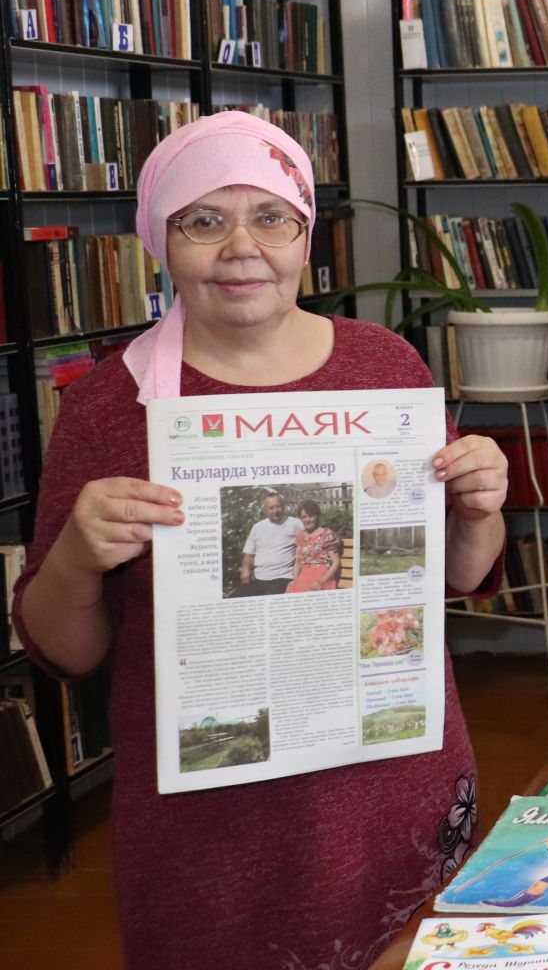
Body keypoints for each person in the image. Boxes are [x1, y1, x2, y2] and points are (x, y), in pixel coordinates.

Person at [8, 112, 511, 969]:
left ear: (306, 236)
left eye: (271, 217)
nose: (242, 247)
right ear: (161, 241)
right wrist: (75, 558)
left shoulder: (385, 366)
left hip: (391, 777)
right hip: (215, 822)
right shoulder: (105, 407)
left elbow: (461, 578)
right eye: (204, 220)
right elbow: (68, 652)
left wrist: (480, 506)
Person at [235, 491, 301, 596]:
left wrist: (333, 538)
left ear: (283, 506)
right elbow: (249, 554)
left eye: (278, 506)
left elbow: (315, 533)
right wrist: (245, 568)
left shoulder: (294, 523)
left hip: (282, 577)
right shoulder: (258, 527)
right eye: (271, 508)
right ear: (264, 510)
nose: (276, 511)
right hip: (259, 578)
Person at [284, 499, 343, 593]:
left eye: (311, 516)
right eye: (304, 517)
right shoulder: (300, 537)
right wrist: (295, 580)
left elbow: (336, 562)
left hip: (322, 576)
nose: (307, 520)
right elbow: (298, 562)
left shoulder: (327, 534)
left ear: (317, 516)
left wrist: (321, 581)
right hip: (304, 576)